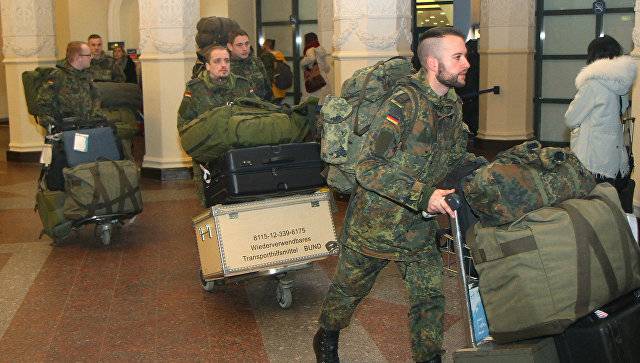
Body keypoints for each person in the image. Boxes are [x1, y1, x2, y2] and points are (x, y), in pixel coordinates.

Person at [313, 27, 480, 363]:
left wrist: (482, 169)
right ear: (433, 63)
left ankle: (429, 357)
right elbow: (368, 167)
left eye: (465, 56)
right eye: (458, 57)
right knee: (349, 291)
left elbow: (452, 155)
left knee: (429, 298)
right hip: (375, 224)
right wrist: (425, 196)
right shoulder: (403, 103)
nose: (466, 64)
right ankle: (326, 338)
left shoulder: (450, 105)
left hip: (417, 227)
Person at [177, 45, 255, 205]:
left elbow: (256, 114)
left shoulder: (242, 85)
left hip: (239, 154)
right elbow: (184, 125)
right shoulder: (195, 89)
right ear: (207, 66)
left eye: (226, 60)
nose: (223, 65)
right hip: (209, 158)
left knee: (243, 199)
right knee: (211, 202)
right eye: (217, 61)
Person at [565, 35, 636, 207]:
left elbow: (570, 119)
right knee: (608, 204)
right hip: (613, 157)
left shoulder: (593, 84)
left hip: (593, 159)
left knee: (589, 206)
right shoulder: (621, 85)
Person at [36, 41, 106, 127]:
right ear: (78, 57)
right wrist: (56, 128)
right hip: (67, 130)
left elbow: (96, 99)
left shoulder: (86, 76)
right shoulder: (57, 77)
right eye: (89, 55)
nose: (91, 57)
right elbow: (43, 107)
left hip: (88, 127)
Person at [227, 29, 272, 101]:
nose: (244, 48)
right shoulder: (225, 66)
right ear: (230, 47)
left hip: (261, 108)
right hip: (238, 110)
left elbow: (268, 90)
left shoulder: (256, 62)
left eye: (247, 44)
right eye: (239, 45)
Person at [301, 32, 331, 105]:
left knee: (311, 102)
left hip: (313, 79)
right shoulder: (321, 50)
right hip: (323, 78)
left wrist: (302, 62)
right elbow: (327, 68)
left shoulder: (309, 49)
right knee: (323, 102)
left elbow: (311, 58)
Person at [260, 39, 289, 104]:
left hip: (272, 89)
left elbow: (264, 71)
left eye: (264, 44)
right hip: (281, 87)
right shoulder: (280, 54)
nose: (262, 46)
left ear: (267, 46)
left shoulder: (266, 56)